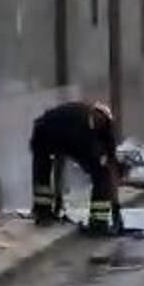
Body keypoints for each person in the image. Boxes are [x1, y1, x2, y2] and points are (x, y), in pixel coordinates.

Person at [30, 101, 124, 236]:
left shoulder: (106, 131)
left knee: (102, 174)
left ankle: (98, 222)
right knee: (43, 169)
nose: (100, 124)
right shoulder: (78, 124)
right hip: (45, 132)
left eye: (103, 123)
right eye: (98, 122)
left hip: (69, 135)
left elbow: (111, 165)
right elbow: (65, 157)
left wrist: (116, 207)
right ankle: (42, 212)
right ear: (93, 115)